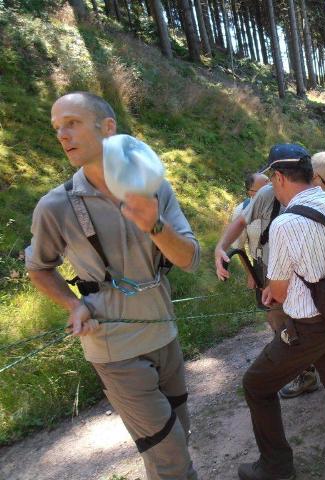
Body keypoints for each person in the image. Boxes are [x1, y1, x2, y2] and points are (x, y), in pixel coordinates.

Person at [26, 92, 200, 479]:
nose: (62, 135)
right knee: (170, 452)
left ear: (108, 128)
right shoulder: (55, 206)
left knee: (176, 438)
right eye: (57, 127)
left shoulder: (155, 189)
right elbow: (38, 268)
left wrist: (153, 224)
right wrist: (74, 305)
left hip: (164, 333)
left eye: (71, 122)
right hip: (114, 350)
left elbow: (189, 259)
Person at [239, 144, 325, 480]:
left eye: (272, 180)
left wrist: (272, 286)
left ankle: (276, 468)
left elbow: (278, 292)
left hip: (308, 326)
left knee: (256, 385)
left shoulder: (286, 223)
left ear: (279, 178)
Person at [215, 150, 325, 400]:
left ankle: (312, 370)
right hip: (274, 274)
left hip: (307, 280)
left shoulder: (319, 200)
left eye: (274, 176)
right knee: (280, 323)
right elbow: (242, 221)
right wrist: (221, 246)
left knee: (302, 329)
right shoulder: (268, 195)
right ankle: (307, 373)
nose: (272, 181)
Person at [230, 172, 270, 260]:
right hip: (261, 265)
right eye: (265, 189)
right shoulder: (241, 211)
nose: (271, 191)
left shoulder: (285, 203)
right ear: (250, 192)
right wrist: (249, 272)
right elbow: (238, 246)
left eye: (271, 185)